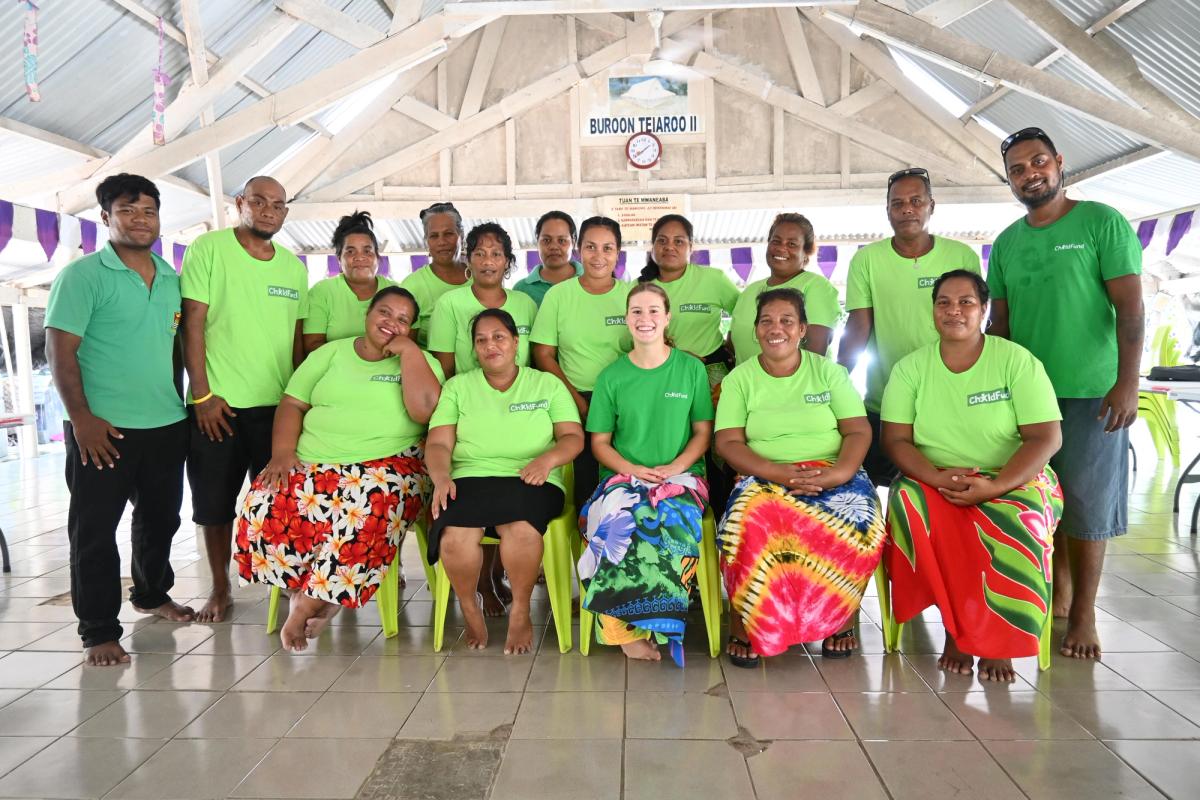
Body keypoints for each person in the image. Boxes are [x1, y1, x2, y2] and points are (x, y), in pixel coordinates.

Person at [987, 127, 1143, 661]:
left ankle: (1083, 614)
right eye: (1017, 169)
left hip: (1092, 392)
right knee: (1039, 496)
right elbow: (1000, 326)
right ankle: (1056, 596)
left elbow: (1131, 308)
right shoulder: (1007, 242)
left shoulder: (1101, 222)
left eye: (1037, 163)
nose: (1030, 174)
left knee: (1086, 502)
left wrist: (1127, 381)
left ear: (1058, 161)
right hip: (1026, 397)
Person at [234, 287, 441, 651]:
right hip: (313, 459)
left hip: (389, 463)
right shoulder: (330, 354)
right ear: (368, 314)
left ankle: (305, 606)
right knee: (263, 501)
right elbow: (293, 403)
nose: (391, 324)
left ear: (412, 329)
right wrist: (282, 452)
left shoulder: (421, 360)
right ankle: (323, 598)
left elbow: (425, 413)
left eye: (403, 320)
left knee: (369, 506)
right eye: (385, 313)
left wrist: (408, 353)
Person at [881, 270, 1063, 682]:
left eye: (966, 302)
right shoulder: (911, 368)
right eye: (944, 301)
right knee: (912, 506)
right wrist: (937, 478)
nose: (954, 310)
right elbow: (895, 441)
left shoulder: (1016, 360)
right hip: (934, 475)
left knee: (1018, 519)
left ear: (984, 310)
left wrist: (997, 486)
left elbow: (1046, 438)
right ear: (932, 311)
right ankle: (956, 630)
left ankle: (1001, 641)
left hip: (1014, 475)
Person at [45, 173, 193, 666]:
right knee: (94, 529)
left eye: (148, 210)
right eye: (128, 211)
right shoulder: (82, 275)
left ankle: (151, 595)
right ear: (105, 217)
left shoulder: (171, 278)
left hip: (166, 423)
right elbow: (61, 352)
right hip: (102, 429)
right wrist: (81, 418)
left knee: (161, 521)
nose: (140, 219)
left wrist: (181, 402)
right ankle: (99, 630)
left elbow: (175, 349)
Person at [715, 288, 884, 666]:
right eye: (767, 321)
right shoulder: (740, 379)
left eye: (787, 321)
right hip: (763, 475)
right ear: (755, 329)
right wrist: (778, 473)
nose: (776, 329)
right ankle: (747, 621)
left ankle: (839, 617)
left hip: (831, 472)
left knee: (860, 523)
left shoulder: (829, 372)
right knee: (745, 524)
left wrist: (837, 474)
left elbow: (858, 430)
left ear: (803, 329)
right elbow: (727, 442)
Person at [181, 175, 308, 623]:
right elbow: (191, 324)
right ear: (241, 204)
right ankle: (220, 586)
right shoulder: (209, 249)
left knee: (280, 503)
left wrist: (299, 404)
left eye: (278, 203)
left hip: (277, 410)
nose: (268, 210)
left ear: (286, 212)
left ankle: (288, 583)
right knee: (214, 504)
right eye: (259, 201)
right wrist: (202, 396)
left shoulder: (294, 267)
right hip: (220, 406)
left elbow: (296, 342)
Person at [425, 309, 584, 654]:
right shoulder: (458, 387)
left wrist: (548, 460)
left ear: (515, 342)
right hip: (469, 478)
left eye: (498, 337)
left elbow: (572, 437)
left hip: (533, 478)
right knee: (454, 538)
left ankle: (522, 611)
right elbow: (438, 443)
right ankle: (469, 606)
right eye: (481, 340)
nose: (490, 345)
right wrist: (440, 477)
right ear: (474, 349)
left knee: (522, 531)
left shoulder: (546, 384)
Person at [577, 282, 714, 666]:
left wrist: (675, 468)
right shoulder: (612, 377)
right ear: (626, 319)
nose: (645, 319)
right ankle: (622, 631)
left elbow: (703, 432)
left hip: (683, 476)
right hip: (623, 476)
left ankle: (661, 622)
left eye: (654, 311)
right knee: (613, 522)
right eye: (637, 311)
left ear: (667, 317)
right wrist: (633, 469)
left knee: (669, 521)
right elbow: (600, 443)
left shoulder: (691, 369)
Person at [838, 168, 982, 487]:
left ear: (932, 205)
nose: (907, 209)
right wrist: (835, 380)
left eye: (916, 200)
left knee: (946, 490)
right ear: (887, 210)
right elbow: (859, 325)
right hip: (884, 400)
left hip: (949, 403)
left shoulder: (962, 256)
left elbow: (974, 327)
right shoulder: (867, 260)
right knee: (874, 491)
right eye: (897, 203)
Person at [531, 216, 632, 512]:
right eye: (590, 246)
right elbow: (544, 354)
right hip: (576, 399)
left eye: (607, 248)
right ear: (579, 250)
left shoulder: (631, 296)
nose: (598, 256)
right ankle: (589, 547)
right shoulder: (559, 295)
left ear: (617, 252)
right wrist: (576, 401)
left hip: (626, 401)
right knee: (587, 488)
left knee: (626, 482)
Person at [640, 214, 739, 511]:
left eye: (678, 241)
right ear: (652, 246)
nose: (670, 247)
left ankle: (723, 520)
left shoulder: (712, 279)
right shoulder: (642, 289)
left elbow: (747, 315)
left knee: (719, 450)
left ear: (691, 247)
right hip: (662, 379)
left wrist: (730, 344)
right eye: (662, 240)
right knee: (679, 445)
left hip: (712, 377)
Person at [428, 222, 538, 378]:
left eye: (496, 254)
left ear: (506, 261)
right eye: (479, 254)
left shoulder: (526, 304)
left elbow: (535, 363)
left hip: (521, 398)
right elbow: (444, 372)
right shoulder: (449, 304)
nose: (487, 261)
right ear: (469, 261)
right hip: (468, 397)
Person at [729, 213, 840, 362]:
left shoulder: (816, 286)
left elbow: (815, 355)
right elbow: (732, 346)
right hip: (745, 384)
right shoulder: (749, 292)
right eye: (776, 241)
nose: (781, 248)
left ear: (806, 253)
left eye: (792, 244)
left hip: (797, 385)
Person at [302, 210, 396, 355]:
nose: (360, 257)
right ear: (339, 259)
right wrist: (363, 355)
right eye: (350, 252)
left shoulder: (396, 292)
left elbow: (406, 344)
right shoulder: (322, 292)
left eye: (367, 251)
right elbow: (312, 346)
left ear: (377, 256)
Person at [400, 202, 469, 348]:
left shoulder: (481, 278)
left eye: (448, 234)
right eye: (434, 236)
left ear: (461, 236)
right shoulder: (412, 286)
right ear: (426, 241)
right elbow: (406, 347)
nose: (442, 242)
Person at [513, 210, 583, 306]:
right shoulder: (522, 290)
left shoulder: (591, 281)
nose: (554, 246)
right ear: (537, 242)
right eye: (546, 240)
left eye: (562, 240)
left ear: (573, 242)